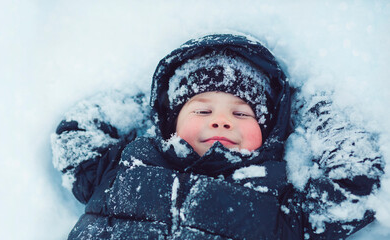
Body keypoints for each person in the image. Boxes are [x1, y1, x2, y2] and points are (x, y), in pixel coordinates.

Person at [51, 34, 384, 239]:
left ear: (267, 132)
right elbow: (75, 140)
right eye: (202, 110)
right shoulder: (123, 167)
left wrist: (313, 110)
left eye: (241, 113)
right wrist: (142, 102)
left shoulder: (278, 201)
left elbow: (358, 186)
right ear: (171, 122)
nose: (223, 122)